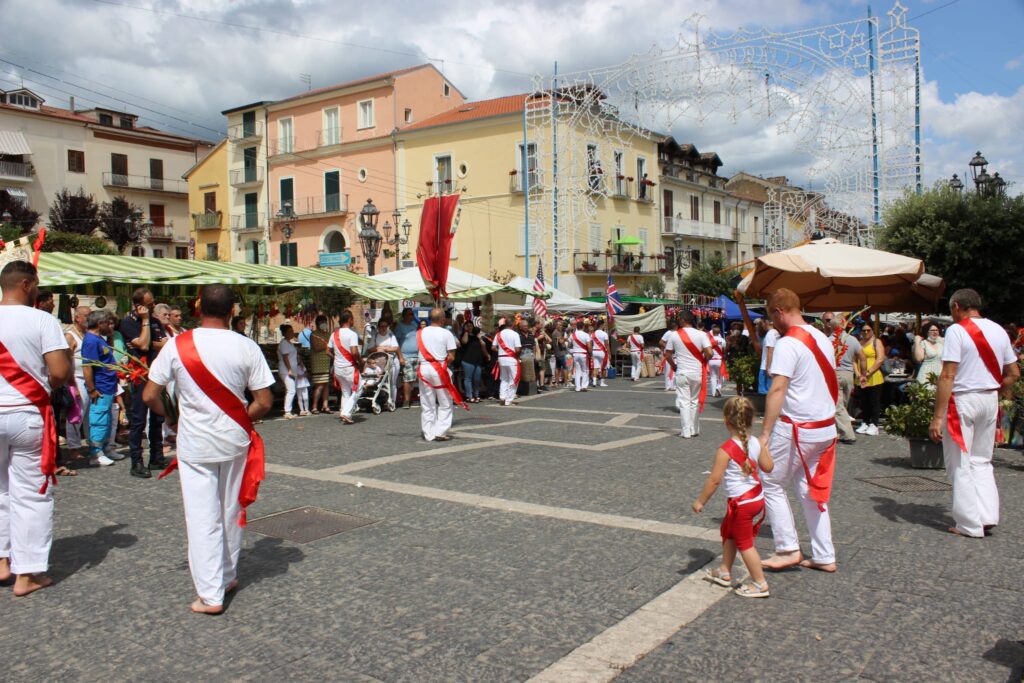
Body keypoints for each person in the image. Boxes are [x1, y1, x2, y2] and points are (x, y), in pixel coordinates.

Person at [143, 284, 274, 614]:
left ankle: (210, 594)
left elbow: (149, 395)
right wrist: (239, 419)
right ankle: (228, 575)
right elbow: (264, 401)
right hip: (235, 439)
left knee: (203, 517)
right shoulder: (246, 347)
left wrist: (171, 418)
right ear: (232, 311)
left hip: (196, 441)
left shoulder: (176, 345)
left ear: (199, 308)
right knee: (230, 509)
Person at [0, 262, 72, 596]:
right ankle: (27, 574)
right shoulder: (43, 319)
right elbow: (58, 371)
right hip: (27, 411)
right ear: (27, 285)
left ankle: (2, 560)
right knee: (31, 494)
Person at [759, 288, 838, 573]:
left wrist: (766, 433)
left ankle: (788, 548)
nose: (772, 323)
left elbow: (778, 388)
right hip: (825, 427)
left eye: (771, 316)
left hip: (798, 426)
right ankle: (824, 554)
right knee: (811, 490)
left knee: (770, 481)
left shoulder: (788, 344)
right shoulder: (821, 337)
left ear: (779, 312)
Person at [929, 289, 1019, 538]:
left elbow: (948, 374)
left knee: (960, 463)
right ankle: (987, 514)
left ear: (957, 306)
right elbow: (1014, 373)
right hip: (989, 398)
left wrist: (937, 417)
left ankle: (969, 524)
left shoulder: (957, 330)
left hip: (963, 401)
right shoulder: (999, 330)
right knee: (982, 460)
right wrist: (995, 389)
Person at [692, 396, 774, 598]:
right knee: (729, 533)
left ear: (725, 420)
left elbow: (714, 481)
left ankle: (760, 583)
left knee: (745, 544)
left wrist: (700, 501)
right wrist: (764, 447)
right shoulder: (756, 442)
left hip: (741, 503)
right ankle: (724, 571)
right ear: (752, 419)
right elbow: (769, 467)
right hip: (755, 498)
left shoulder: (725, 450)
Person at [121, 287, 168, 479]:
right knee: (139, 420)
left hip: (156, 373)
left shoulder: (156, 322)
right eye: (149, 305)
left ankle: (156, 457)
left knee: (158, 417)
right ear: (139, 306)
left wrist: (148, 340)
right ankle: (137, 462)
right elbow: (143, 345)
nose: (153, 306)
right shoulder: (128, 322)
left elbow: (164, 344)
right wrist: (146, 322)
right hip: (139, 374)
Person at [81, 311, 120, 466]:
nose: (110, 326)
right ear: (100, 324)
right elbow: (87, 367)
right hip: (100, 387)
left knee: (107, 419)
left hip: (108, 386)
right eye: (108, 323)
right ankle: (95, 453)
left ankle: (105, 447)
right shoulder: (91, 340)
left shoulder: (99, 339)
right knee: (99, 420)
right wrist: (92, 389)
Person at [417, 307, 462, 441]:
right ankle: (440, 431)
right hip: (439, 369)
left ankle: (428, 433)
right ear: (442, 319)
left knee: (427, 402)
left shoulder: (420, 332)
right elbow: (452, 356)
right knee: (445, 401)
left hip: (424, 368)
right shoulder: (446, 333)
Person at [665, 311, 711, 438]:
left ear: (683, 320)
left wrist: (674, 366)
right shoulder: (702, 334)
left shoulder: (674, 335)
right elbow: (710, 352)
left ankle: (686, 431)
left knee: (684, 402)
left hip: (682, 372)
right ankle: (694, 429)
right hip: (697, 372)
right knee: (694, 401)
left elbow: (667, 354)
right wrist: (704, 360)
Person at [823, 313, 864, 445]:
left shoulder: (828, 340)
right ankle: (839, 432)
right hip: (849, 375)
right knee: (843, 405)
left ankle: (848, 434)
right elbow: (862, 357)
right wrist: (863, 374)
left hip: (835, 374)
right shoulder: (853, 339)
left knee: (838, 405)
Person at [64, 305, 91, 461]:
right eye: (86, 316)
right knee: (76, 414)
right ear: (77, 317)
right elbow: (67, 362)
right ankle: (73, 447)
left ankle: (90, 443)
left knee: (88, 415)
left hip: (88, 378)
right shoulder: (70, 336)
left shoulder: (86, 334)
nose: (89, 319)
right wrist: (73, 385)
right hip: (76, 378)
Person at [327, 310, 361, 425]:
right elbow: (354, 352)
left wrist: (336, 357)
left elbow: (327, 351)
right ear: (349, 319)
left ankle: (343, 412)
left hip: (338, 368)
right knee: (358, 389)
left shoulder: (334, 334)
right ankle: (346, 413)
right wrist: (360, 361)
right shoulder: (352, 334)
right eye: (352, 319)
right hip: (349, 367)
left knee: (345, 392)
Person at [857, 325, 885, 436]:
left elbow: (880, 359)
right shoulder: (859, 342)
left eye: (868, 330)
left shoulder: (876, 342)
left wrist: (868, 373)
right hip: (861, 376)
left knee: (874, 401)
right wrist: (859, 374)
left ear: (872, 331)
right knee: (863, 401)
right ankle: (865, 421)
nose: (866, 332)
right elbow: (854, 359)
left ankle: (874, 423)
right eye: (864, 330)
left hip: (873, 375)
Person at [492, 318, 522, 406]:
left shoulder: (498, 334)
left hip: (501, 358)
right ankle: (509, 400)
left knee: (504, 378)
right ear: (512, 324)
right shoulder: (515, 334)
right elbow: (517, 349)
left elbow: (493, 347)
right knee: (514, 379)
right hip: (511, 358)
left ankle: (502, 397)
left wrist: (501, 351)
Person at [372, 318, 402, 406]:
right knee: (380, 382)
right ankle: (382, 400)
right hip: (380, 362)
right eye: (381, 326)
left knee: (392, 382)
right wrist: (377, 349)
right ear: (378, 327)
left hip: (392, 360)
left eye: (385, 326)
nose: (383, 328)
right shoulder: (375, 336)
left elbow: (395, 348)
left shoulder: (391, 336)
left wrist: (384, 348)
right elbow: (369, 349)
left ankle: (392, 401)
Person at [394, 308, 420, 409]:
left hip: (416, 355)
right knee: (408, 378)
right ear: (404, 315)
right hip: (406, 356)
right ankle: (406, 400)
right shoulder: (400, 326)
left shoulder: (414, 325)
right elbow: (396, 343)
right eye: (410, 314)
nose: (412, 316)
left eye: (412, 314)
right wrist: (400, 357)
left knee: (413, 379)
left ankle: (411, 398)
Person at [458, 321, 488, 403]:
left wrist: (479, 337)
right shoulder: (464, 335)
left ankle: (476, 395)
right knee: (468, 379)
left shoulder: (476, 336)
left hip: (477, 361)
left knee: (477, 379)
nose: (470, 327)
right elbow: (464, 341)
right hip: (468, 360)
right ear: (465, 327)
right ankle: (469, 396)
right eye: (468, 326)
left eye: (471, 326)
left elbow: (483, 344)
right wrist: (466, 331)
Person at [277, 324, 301, 419]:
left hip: (291, 370)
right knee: (291, 390)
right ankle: (287, 411)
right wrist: (289, 369)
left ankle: (287, 410)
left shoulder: (289, 343)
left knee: (290, 390)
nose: (292, 333)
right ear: (285, 333)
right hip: (286, 370)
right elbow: (285, 357)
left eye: (292, 331)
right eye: (289, 331)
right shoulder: (283, 343)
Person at [309, 315, 332, 414]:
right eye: (322, 322)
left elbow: (331, 347)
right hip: (318, 362)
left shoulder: (328, 334)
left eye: (325, 321)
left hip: (327, 361)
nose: (324, 324)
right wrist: (326, 344)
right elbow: (316, 348)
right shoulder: (313, 334)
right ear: (318, 324)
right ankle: (314, 406)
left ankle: (325, 405)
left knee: (326, 384)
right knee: (319, 385)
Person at [568, 319, 592, 393]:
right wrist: (590, 354)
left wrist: (574, 345)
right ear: (583, 327)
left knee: (577, 371)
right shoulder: (586, 335)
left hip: (575, 354)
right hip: (583, 354)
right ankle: (584, 386)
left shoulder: (573, 335)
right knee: (585, 370)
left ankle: (577, 387)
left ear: (577, 327)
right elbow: (589, 346)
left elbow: (569, 345)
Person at [758, 318, 779, 395]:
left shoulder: (770, 334)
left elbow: (770, 350)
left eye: (762, 322)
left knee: (764, 392)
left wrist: (767, 368)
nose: (762, 325)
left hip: (765, 367)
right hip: (774, 366)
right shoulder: (777, 333)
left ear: (767, 322)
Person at [659, 319, 678, 392]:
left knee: (675, 372)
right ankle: (668, 386)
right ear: (676, 326)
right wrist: (667, 346)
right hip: (669, 354)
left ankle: (673, 386)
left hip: (676, 355)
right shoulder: (668, 333)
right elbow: (661, 342)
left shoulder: (677, 333)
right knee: (668, 371)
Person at [591, 319, 610, 387]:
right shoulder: (604, 334)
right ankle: (602, 382)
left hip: (594, 351)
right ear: (601, 325)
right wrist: (609, 353)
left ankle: (594, 382)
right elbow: (607, 345)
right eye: (604, 324)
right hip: (602, 352)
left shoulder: (593, 334)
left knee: (595, 367)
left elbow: (591, 344)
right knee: (604, 367)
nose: (604, 326)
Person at [708, 324, 726, 397]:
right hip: (720, 360)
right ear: (719, 332)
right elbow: (724, 350)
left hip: (711, 360)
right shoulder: (722, 340)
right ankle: (718, 387)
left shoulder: (709, 340)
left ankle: (713, 393)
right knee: (722, 376)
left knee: (712, 377)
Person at [551, 320, 568, 387]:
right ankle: (566, 383)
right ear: (556, 325)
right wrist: (565, 338)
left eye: (561, 325)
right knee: (565, 368)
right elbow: (561, 341)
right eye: (560, 325)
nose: (561, 326)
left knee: (557, 368)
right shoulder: (557, 333)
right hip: (561, 353)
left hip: (557, 353)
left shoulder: (557, 332)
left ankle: (557, 382)